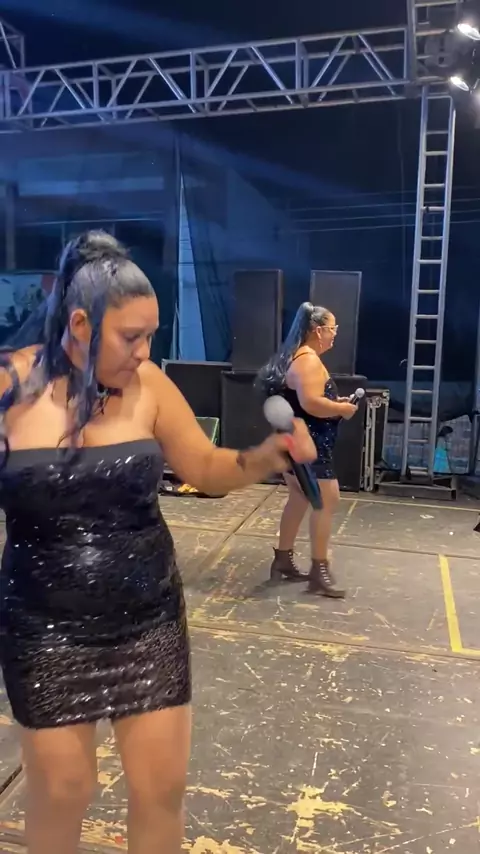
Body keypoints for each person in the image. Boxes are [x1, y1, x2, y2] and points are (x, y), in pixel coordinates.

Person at [0, 231, 316, 854]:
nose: (145, 351)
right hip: (43, 628)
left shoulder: (150, 386)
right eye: (131, 336)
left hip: (148, 623)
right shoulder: (10, 386)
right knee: (62, 790)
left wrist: (267, 456)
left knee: (160, 790)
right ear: (81, 324)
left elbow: (206, 469)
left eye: (152, 334)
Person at [257, 302, 358, 598]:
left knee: (299, 498)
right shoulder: (308, 360)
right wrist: (341, 408)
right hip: (309, 447)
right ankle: (319, 571)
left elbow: (309, 399)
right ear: (318, 330)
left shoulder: (298, 356)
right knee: (326, 501)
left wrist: (335, 403)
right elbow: (312, 403)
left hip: (298, 443)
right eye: (333, 328)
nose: (335, 334)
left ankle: (283, 561)